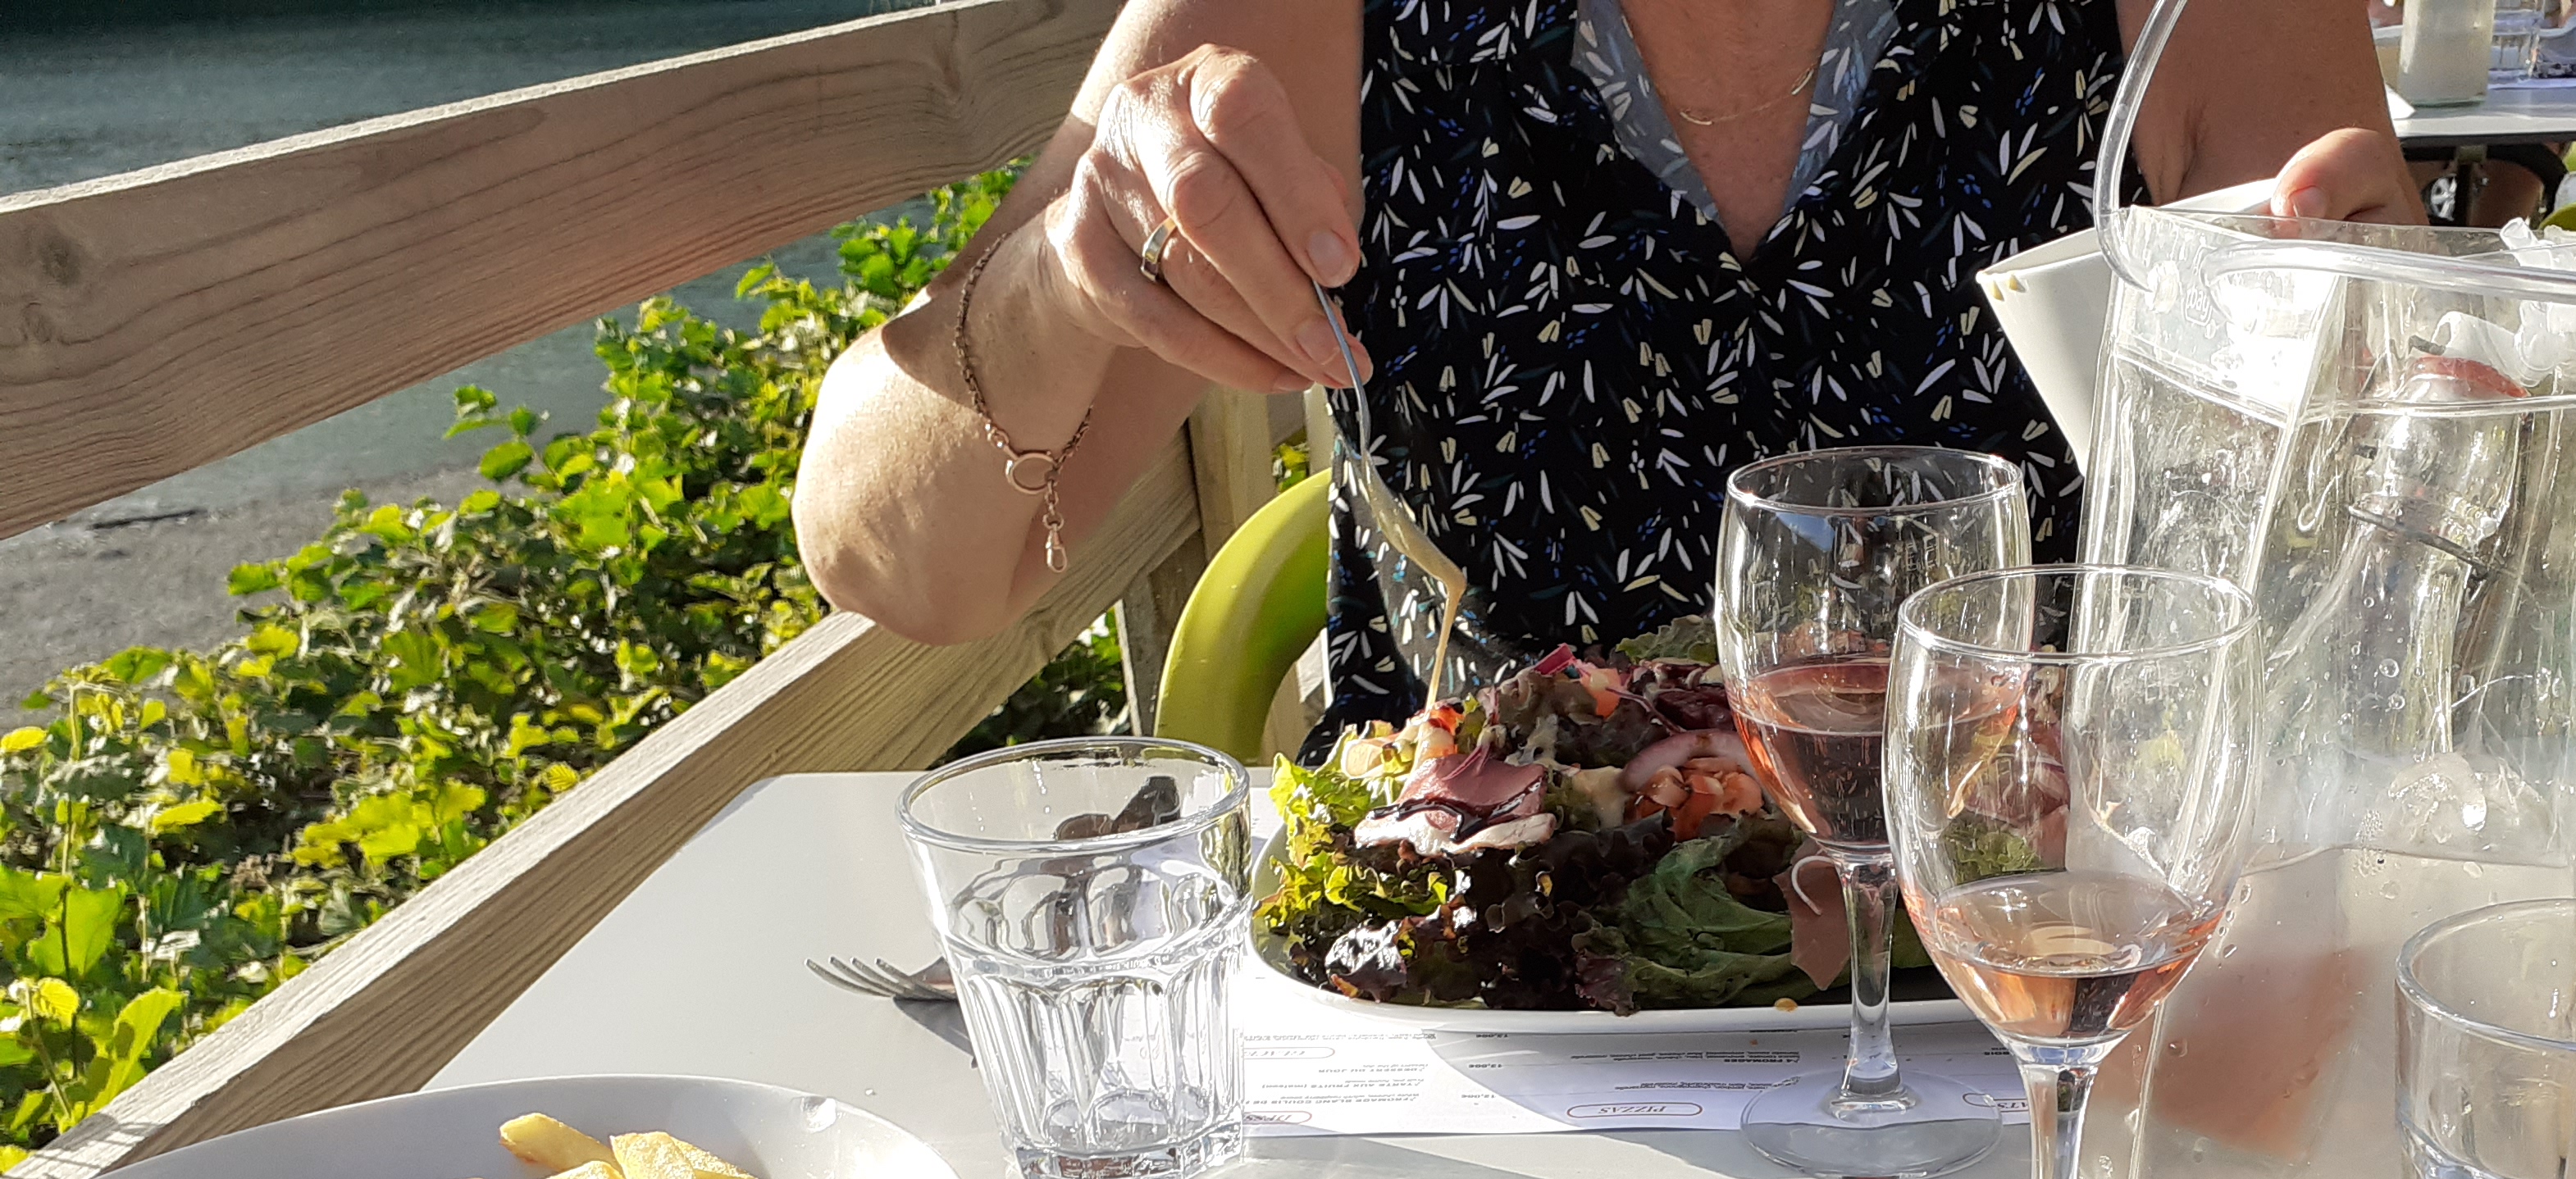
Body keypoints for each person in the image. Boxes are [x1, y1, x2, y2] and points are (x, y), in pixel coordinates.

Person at [799, 0, 2414, 722]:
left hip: (2032, 981)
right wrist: (1062, 282)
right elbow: (892, 559)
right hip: (1486, 996)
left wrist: (2405, 402)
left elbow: (2354, 573)